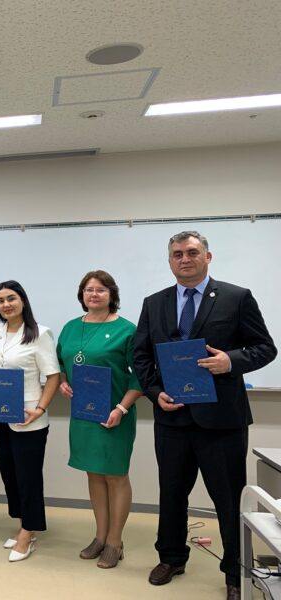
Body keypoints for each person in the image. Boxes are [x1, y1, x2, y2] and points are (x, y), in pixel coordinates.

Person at [133, 231, 276, 600]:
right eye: (177, 254)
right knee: (171, 494)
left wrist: (231, 360)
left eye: (192, 252)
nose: (185, 259)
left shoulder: (236, 297)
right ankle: (171, 558)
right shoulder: (154, 303)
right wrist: (155, 393)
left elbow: (265, 348)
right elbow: (141, 356)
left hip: (222, 421)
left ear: (207, 257)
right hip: (172, 418)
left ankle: (235, 572)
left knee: (228, 500)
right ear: (170, 261)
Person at [56, 270, 142, 569]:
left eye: (101, 290)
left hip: (114, 415)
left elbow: (141, 377)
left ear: (111, 295)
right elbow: (61, 363)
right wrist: (63, 382)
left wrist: (121, 409)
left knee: (115, 476)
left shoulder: (127, 330)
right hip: (84, 415)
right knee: (93, 474)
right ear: (82, 295)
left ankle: (115, 542)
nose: (94, 294)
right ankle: (100, 536)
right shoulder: (70, 328)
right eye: (89, 290)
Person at [0, 281, 60, 562]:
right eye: (0, 300)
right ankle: (24, 522)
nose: (6, 305)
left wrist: (40, 408)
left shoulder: (40, 334)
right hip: (1, 413)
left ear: (23, 300)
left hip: (29, 417)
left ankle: (28, 532)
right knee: (10, 473)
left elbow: (53, 376)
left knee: (28, 476)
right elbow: (1, 362)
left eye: (11, 298)